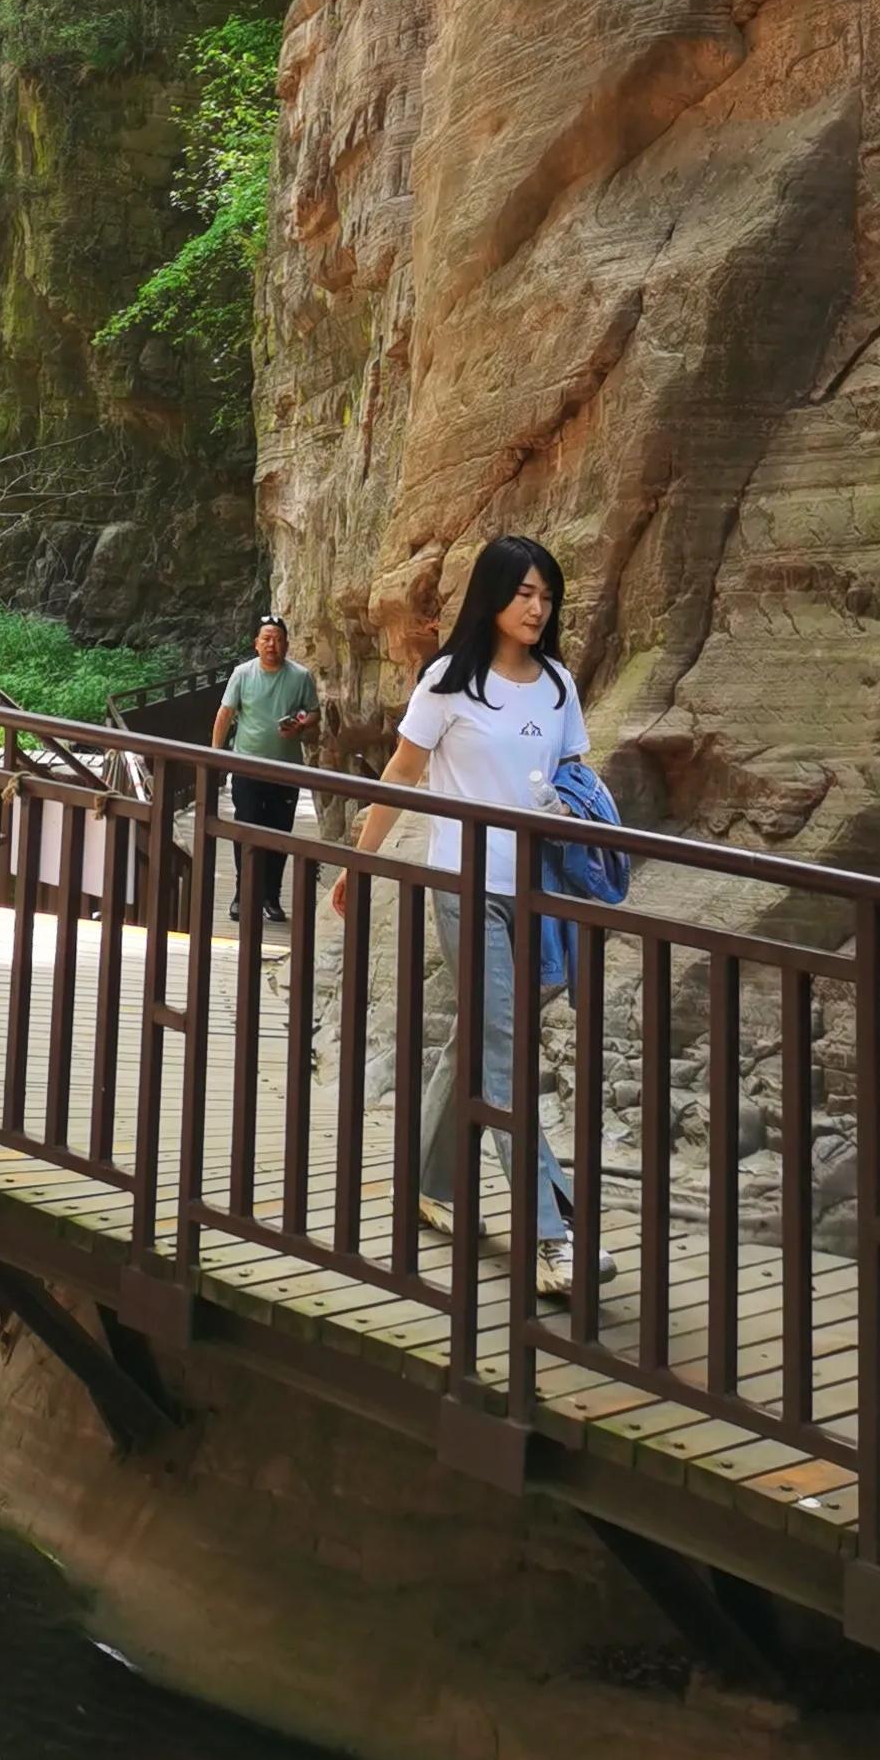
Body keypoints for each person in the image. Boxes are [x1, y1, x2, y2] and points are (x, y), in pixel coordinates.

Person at [333, 535, 605, 1305]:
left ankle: (430, 1180)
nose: (536, 607)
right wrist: (360, 858)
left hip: (543, 893)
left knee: (479, 1041)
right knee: (504, 1048)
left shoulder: (556, 683)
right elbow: (403, 773)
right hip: (467, 884)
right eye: (523, 593)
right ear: (491, 596)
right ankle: (555, 1234)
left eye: (545, 596)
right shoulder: (450, 683)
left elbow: (576, 777)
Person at [212, 612, 320, 923]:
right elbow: (225, 713)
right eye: (267, 639)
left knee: (278, 833)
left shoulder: (300, 676)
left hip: (286, 770)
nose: (272, 645)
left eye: (278, 640)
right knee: (246, 828)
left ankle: (271, 897)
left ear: (287, 645)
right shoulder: (242, 674)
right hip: (247, 767)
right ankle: (242, 895)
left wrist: (299, 724)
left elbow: (313, 712)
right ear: (256, 644)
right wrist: (216, 755)